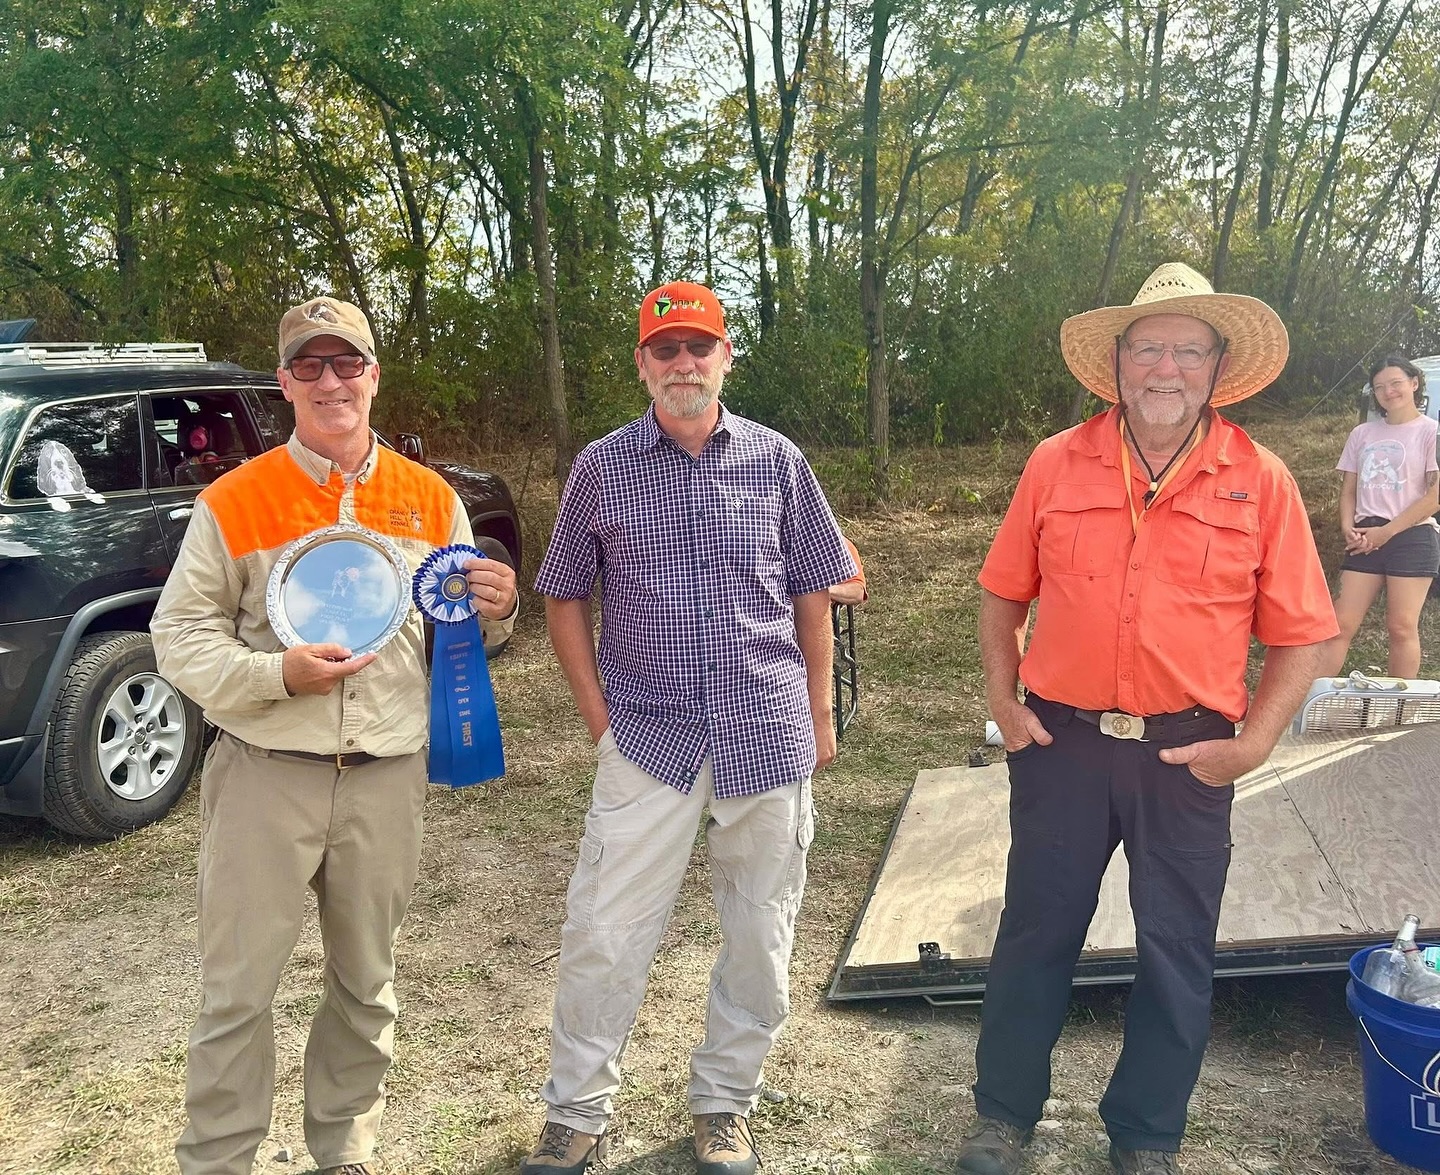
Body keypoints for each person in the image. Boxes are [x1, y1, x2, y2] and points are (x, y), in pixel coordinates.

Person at [958, 263, 1338, 1175]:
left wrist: (1253, 744)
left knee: (1176, 950)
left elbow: (1304, 633)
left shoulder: (1261, 478)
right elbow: (1003, 594)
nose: (1164, 367)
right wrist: (1004, 702)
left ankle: (1147, 1134)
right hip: (1063, 745)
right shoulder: (1057, 461)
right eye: (1147, 347)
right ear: (1118, 362)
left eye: (1186, 349)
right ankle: (1003, 1116)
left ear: (1215, 367)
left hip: (1188, 752)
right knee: (1035, 932)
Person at [151, 296, 518, 1175]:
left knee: (366, 985)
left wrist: (497, 615)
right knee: (237, 994)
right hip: (264, 775)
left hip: (386, 777)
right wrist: (278, 674)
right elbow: (180, 635)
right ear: (283, 383)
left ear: (373, 375)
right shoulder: (234, 500)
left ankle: (345, 1148)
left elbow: (455, 633)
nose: (329, 380)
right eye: (309, 365)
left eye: (345, 362)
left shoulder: (433, 500)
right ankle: (218, 1159)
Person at [523, 281, 855, 1175]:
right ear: (641, 364)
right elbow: (561, 594)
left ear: (725, 357)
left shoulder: (779, 460)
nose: (683, 364)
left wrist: (819, 713)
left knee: (760, 932)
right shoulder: (600, 467)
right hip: (650, 739)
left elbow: (814, 588)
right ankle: (577, 1111)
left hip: (766, 733)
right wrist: (601, 721)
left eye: (698, 347)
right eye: (664, 349)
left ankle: (724, 1103)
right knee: (605, 928)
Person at [1322, 355, 1439, 678]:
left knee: (1401, 626)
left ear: (1414, 383)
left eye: (1396, 383)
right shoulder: (1362, 433)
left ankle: (1398, 710)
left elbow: (1434, 496)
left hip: (1412, 536)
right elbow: (1349, 490)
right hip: (1364, 536)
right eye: (1380, 387)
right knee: (1339, 624)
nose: (1389, 391)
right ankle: (1311, 701)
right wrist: (1348, 527)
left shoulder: (1431, 432)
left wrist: (1387, 533)